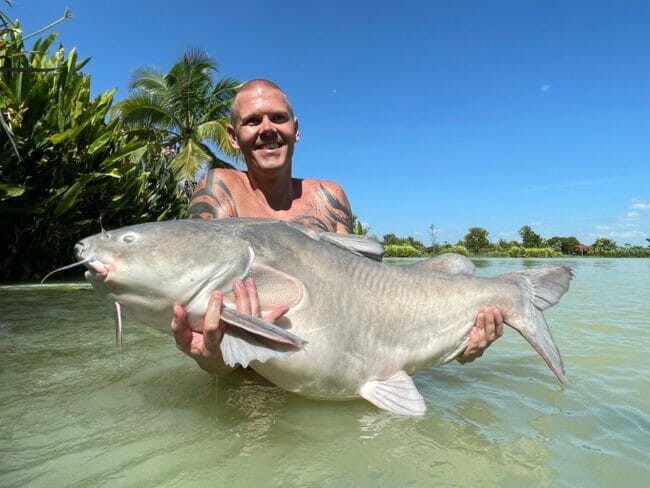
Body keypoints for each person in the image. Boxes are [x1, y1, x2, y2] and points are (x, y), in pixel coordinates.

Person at [170, 79, 503, 377]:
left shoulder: (327, 196)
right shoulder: (218, 188)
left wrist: (455, 343)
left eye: (278, 118)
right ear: (232, 135)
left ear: (295, 129)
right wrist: (212, 359)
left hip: (334, 375)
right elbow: (201, 296)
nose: (267, 128)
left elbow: (370, 302)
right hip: (251, 382)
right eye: (252, 121)